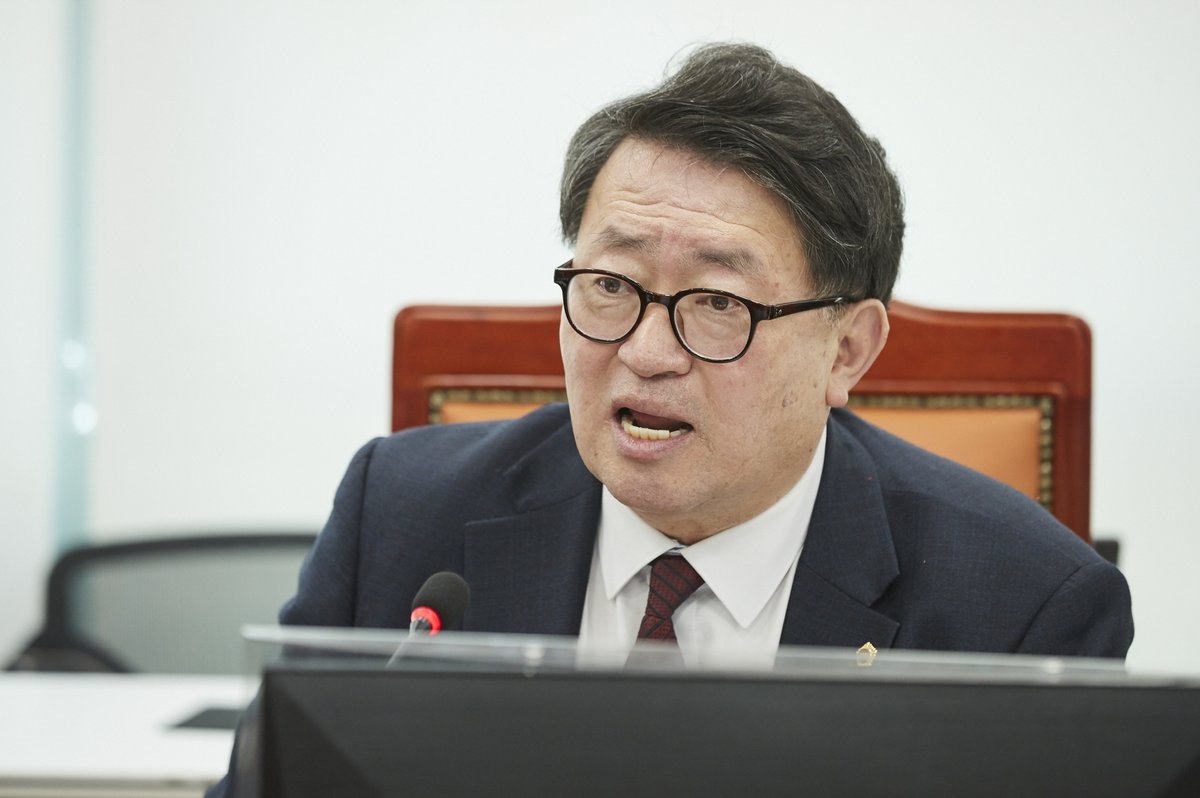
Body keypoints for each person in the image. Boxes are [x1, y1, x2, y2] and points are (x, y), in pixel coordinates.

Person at [206, 41, 1132, 796]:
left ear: (847, 351)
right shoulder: (403, 518)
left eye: (719, 304)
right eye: (611, 286)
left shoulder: (1024, 610)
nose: (648, 351)